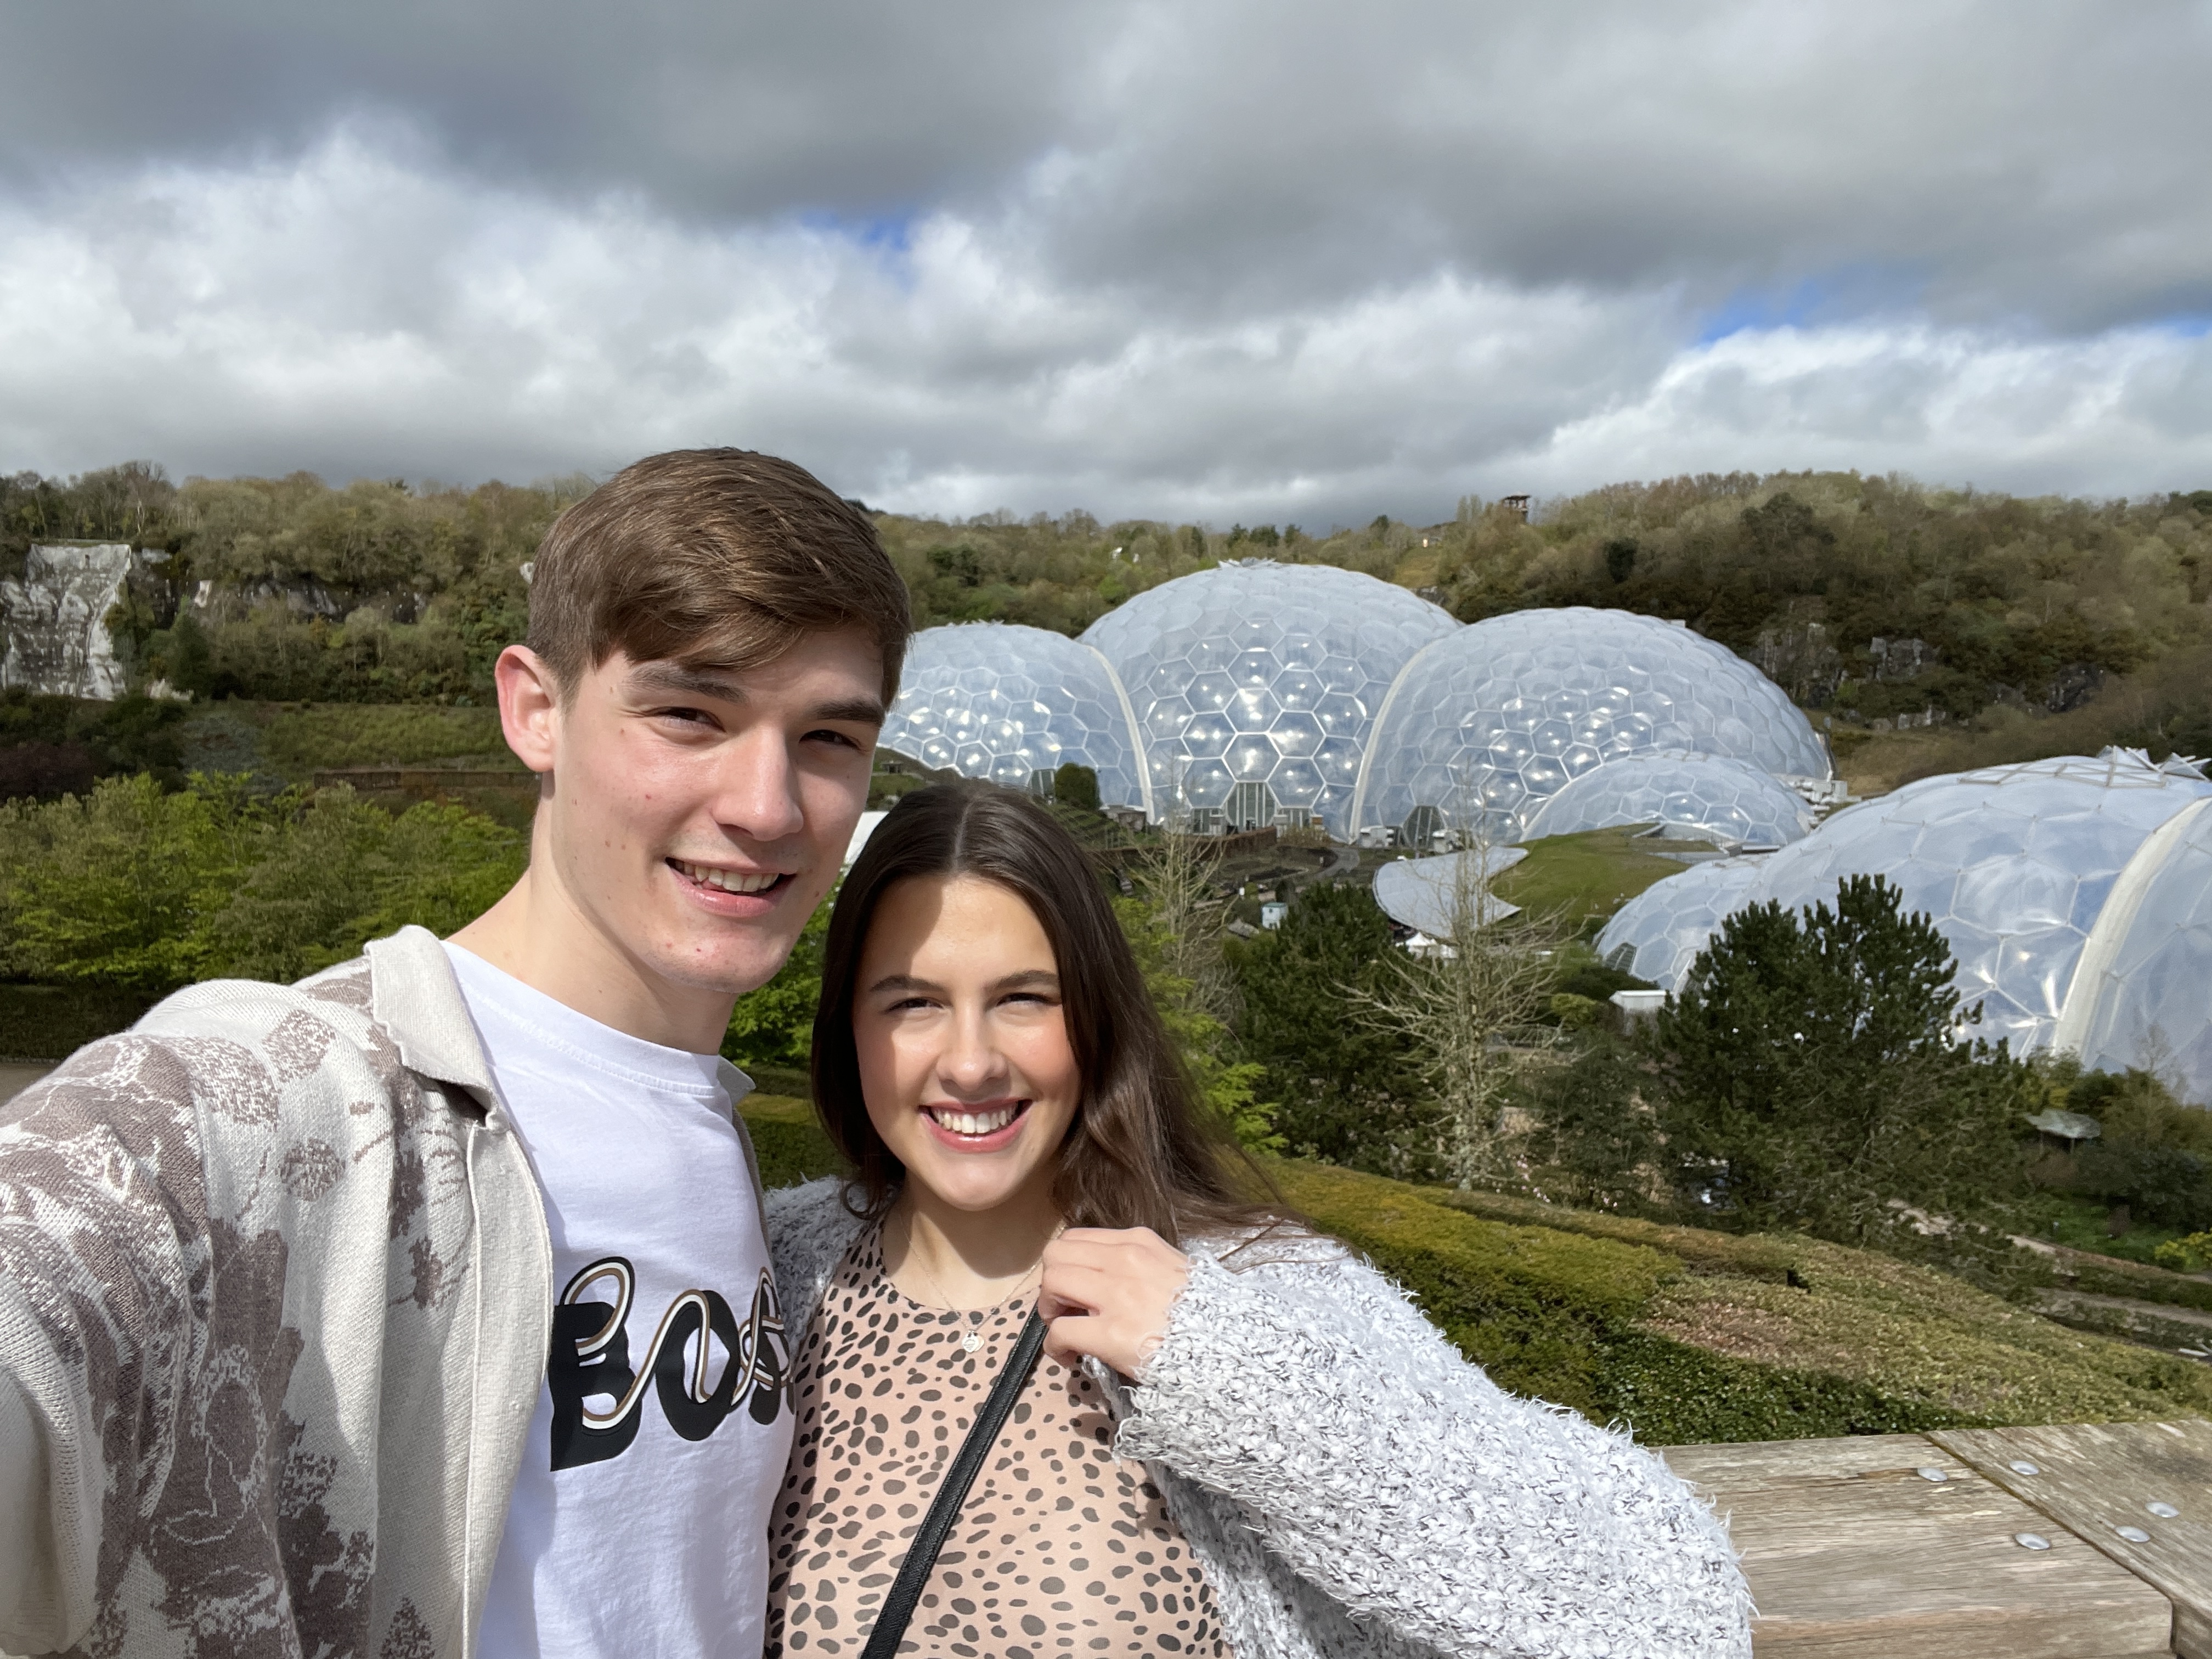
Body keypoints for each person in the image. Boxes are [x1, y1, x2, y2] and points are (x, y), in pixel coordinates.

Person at [0, 449, 911, 1659]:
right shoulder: (288, 1093)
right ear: (536, 709)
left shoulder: (716, 1144)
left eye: (829, 737)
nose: (769, 806)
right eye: (691, 712)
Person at [763, 779, 1752, 1659]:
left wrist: (1237, 1380)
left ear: (1096, 1021)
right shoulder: (771, 1270)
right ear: (850, 1028)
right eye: (913, 1004)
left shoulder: (1248, 1295)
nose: (970, 1063)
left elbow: (1672, 1610)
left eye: (1025, 999)